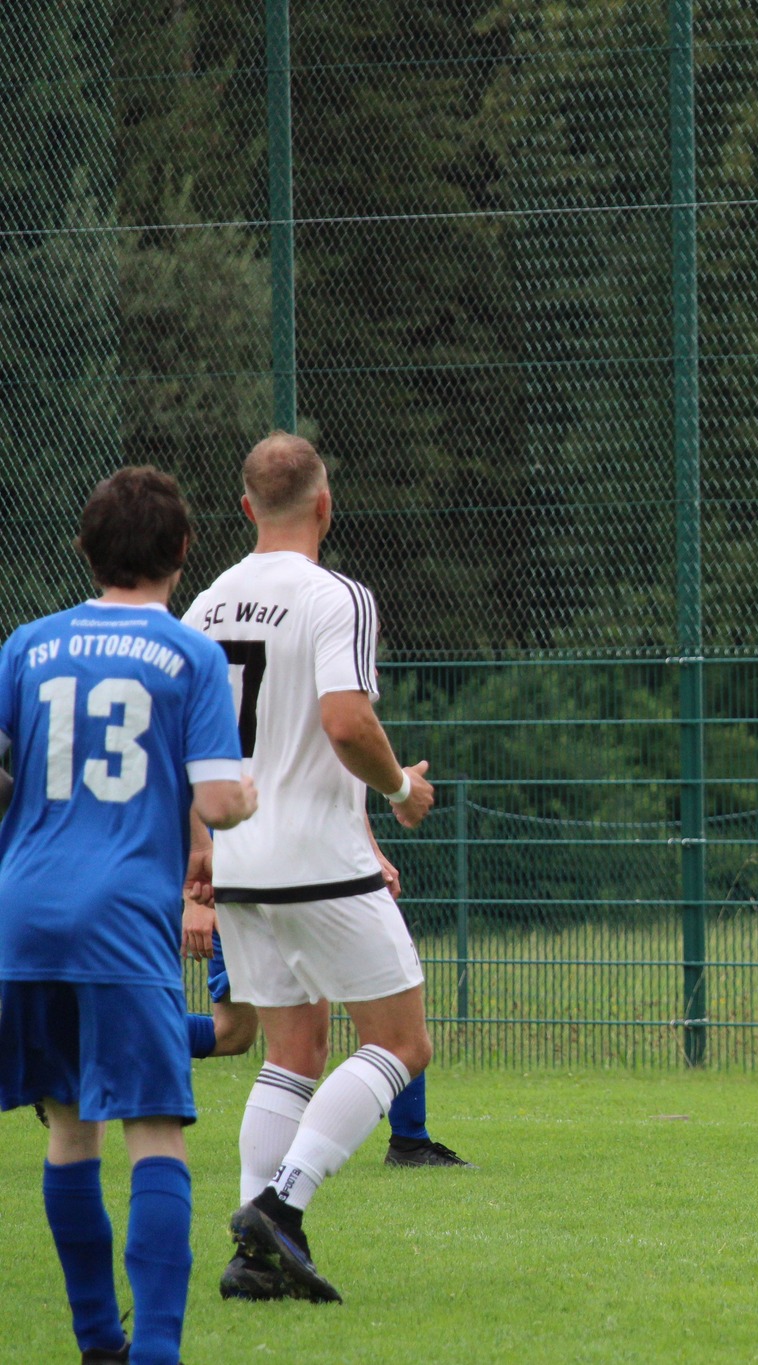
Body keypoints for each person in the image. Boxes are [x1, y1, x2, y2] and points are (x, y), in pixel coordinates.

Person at [0, 467, 258, 1365]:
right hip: (119, 917)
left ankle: (97, 1343)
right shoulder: (189, 655)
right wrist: (248, 793)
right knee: (154, 1129)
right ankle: (154, 1352)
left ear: (87, 548)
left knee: (71, 1127)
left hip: (23, 913)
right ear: (184, 549)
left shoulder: (27, 644)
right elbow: (218, 803)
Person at [183, 431, 438, 1304]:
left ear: (247, 508)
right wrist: (401, 788)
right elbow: (346, 722)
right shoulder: (338, 596)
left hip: (239, 861)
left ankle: (254, 1259)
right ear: (325, 505)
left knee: (292, 1050)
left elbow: (188, 746)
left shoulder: (206, 604)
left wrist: (199, 853)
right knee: (402, 1042)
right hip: (318, 860)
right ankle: (280, 1209)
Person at [180, 890, 471, 1170]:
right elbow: (195, 852)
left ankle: (408, 1141)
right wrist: (196, 902)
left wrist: (371, 859)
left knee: (238, 1036)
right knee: (293, 1048)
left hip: (281, 897)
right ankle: (405, 1143)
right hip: (270, 901)